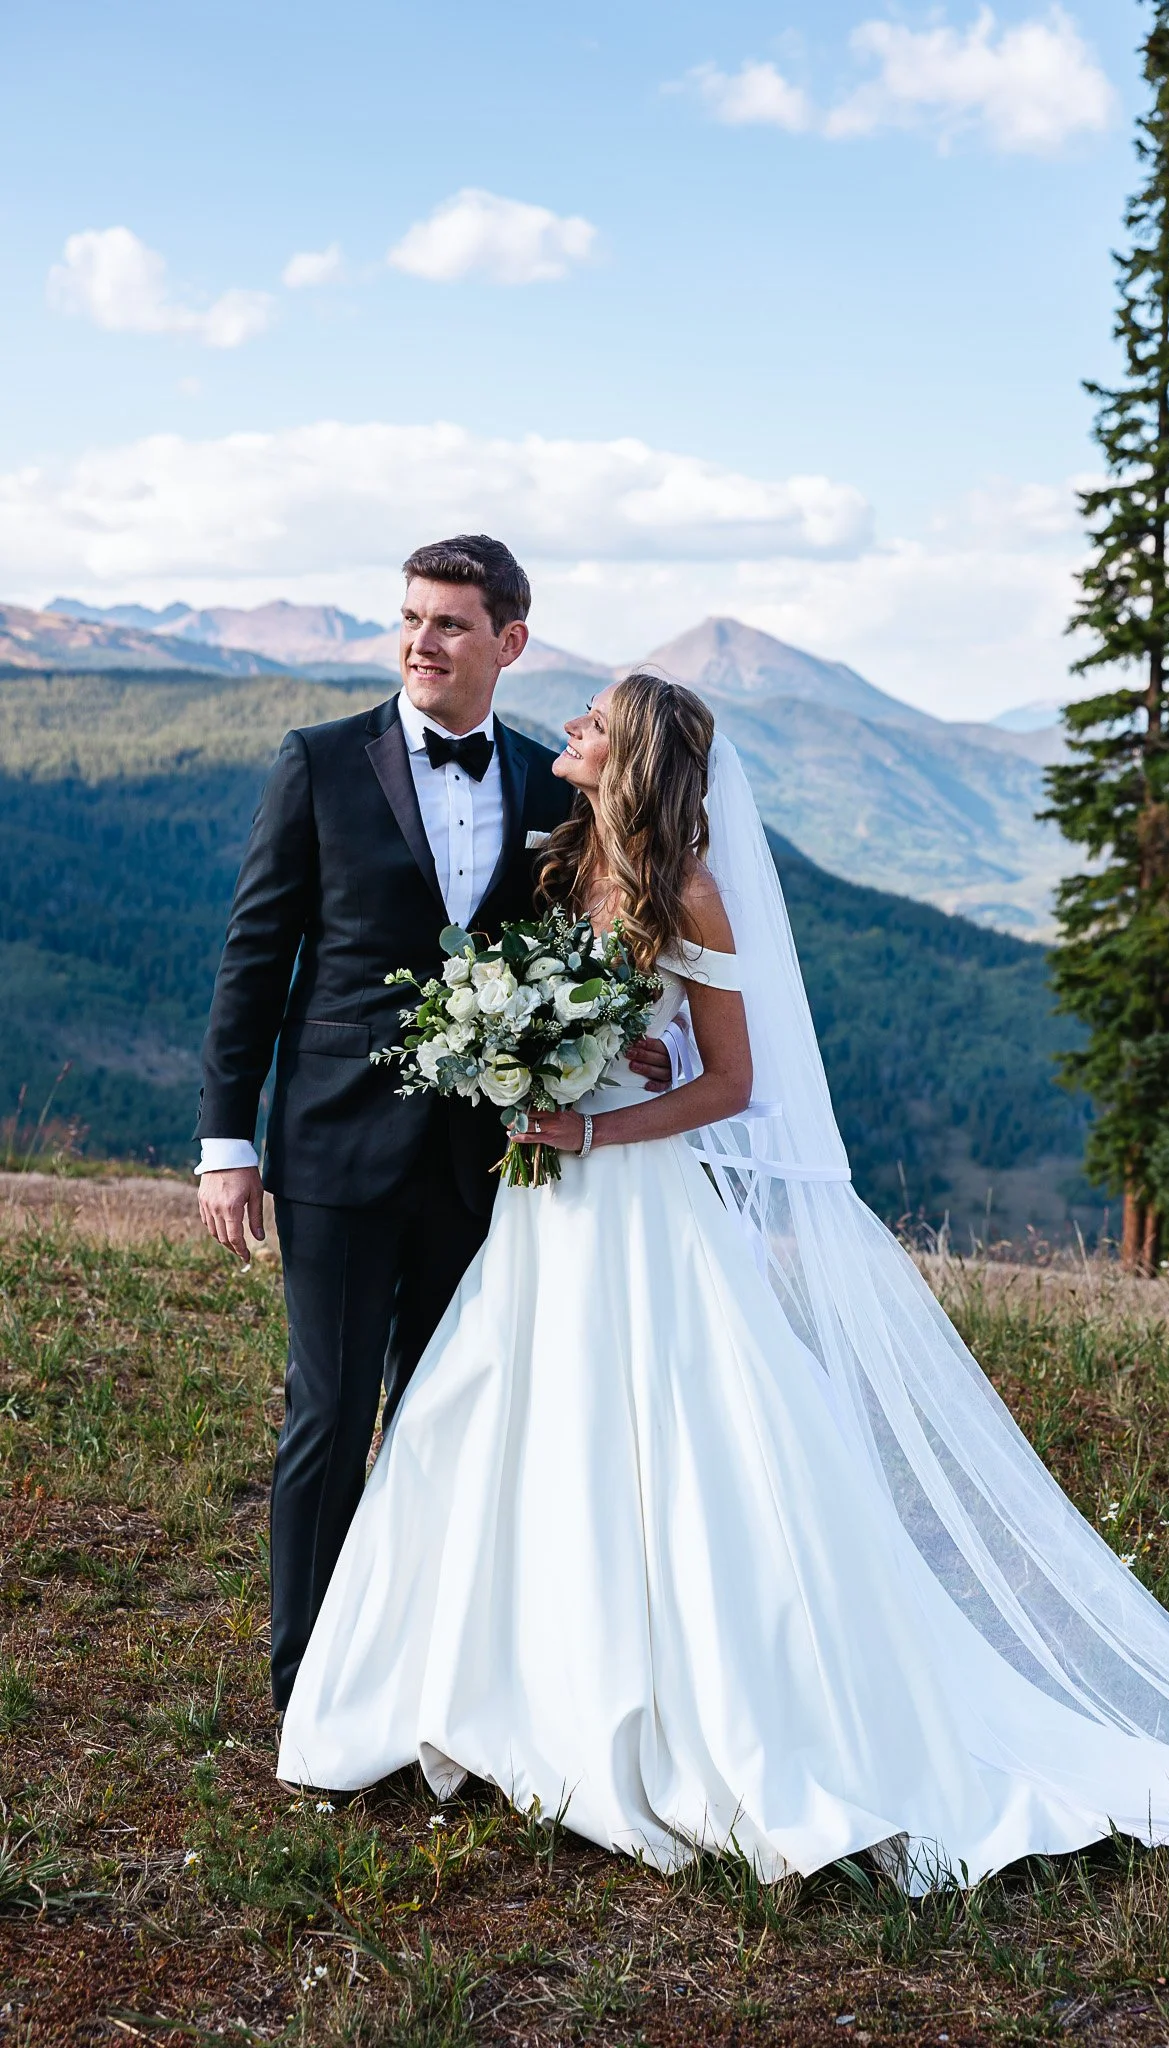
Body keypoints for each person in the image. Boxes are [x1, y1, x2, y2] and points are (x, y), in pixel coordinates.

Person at [279, 672, 1169, 1904]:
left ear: (631, 750)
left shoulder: (691, 889)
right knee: (499, 1424)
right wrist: (528, 1058)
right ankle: (496, 1688)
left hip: (634, 1202)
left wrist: (597, 1123)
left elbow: (729, 1085)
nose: (567, 731)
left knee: (677, 1457)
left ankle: (691, 1713)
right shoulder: (566, 853)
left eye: (591, 721)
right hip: (542, 1220)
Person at [194, 537, 678, 1714]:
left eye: (451, 623)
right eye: (410, 617)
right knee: (330, 1411)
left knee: (443, 1417)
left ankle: (418, 1668)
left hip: (487, 1162)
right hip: (334, 1147)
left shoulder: (541, 781)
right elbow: (256, 958)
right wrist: (227, 1140)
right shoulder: (317, 763)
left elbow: (586, 950)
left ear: (508, 642)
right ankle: (307, 1681)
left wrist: (622, 1045)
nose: (421, 640)